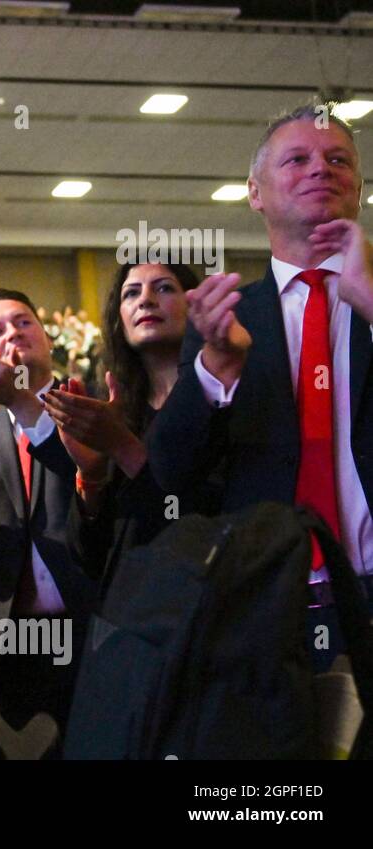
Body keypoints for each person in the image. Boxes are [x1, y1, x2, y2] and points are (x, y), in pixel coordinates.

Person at [147, 103, 373, 670]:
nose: (321, 168)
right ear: (255, 193)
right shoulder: (226, 318)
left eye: (338, 159)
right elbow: (171, 470)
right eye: (297, 159)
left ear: (360, 186)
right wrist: (216, 367)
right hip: (273, 598)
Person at [0, 289, 97, 753]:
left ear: (46, 339)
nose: (12, 335)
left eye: (23, 323)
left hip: (83, 634)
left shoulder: (91, 411)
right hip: (4, 647)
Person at [42, 263, 215, 594]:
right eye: (131, 293)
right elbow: (88, 560)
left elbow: (199, 527)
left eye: (163, 288)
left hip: (207, 614)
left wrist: (124, 448)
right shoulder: (113, 411)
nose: (145, 300)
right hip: (130, 619)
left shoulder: (218, 398)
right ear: (118, 318)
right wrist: (91, 475)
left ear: (194, 306)